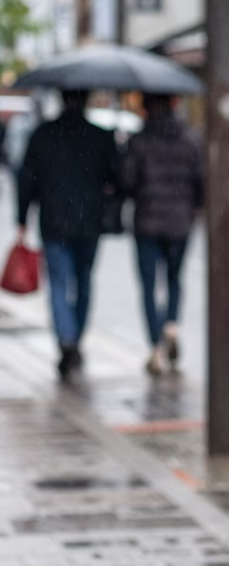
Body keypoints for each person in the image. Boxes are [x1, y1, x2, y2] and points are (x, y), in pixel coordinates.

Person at [15, 89, 118, 381]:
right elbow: (116, 176)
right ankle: (75, 337)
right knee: (84, 280)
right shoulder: (100, 136)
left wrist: (22, 218)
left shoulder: (43, 135)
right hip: (89, 221)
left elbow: (26, 179)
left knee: (59, 282)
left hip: (55, 220)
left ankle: (67, 338)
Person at [120, 93, 203, 375]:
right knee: (174, 278)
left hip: (147, 223)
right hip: (180, 223)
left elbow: (127, 182)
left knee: (147, 285)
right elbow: (201, 182)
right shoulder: (190, 140)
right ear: (173, 104)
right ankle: (171, 325)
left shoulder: (139, 141)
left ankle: (155, 349)